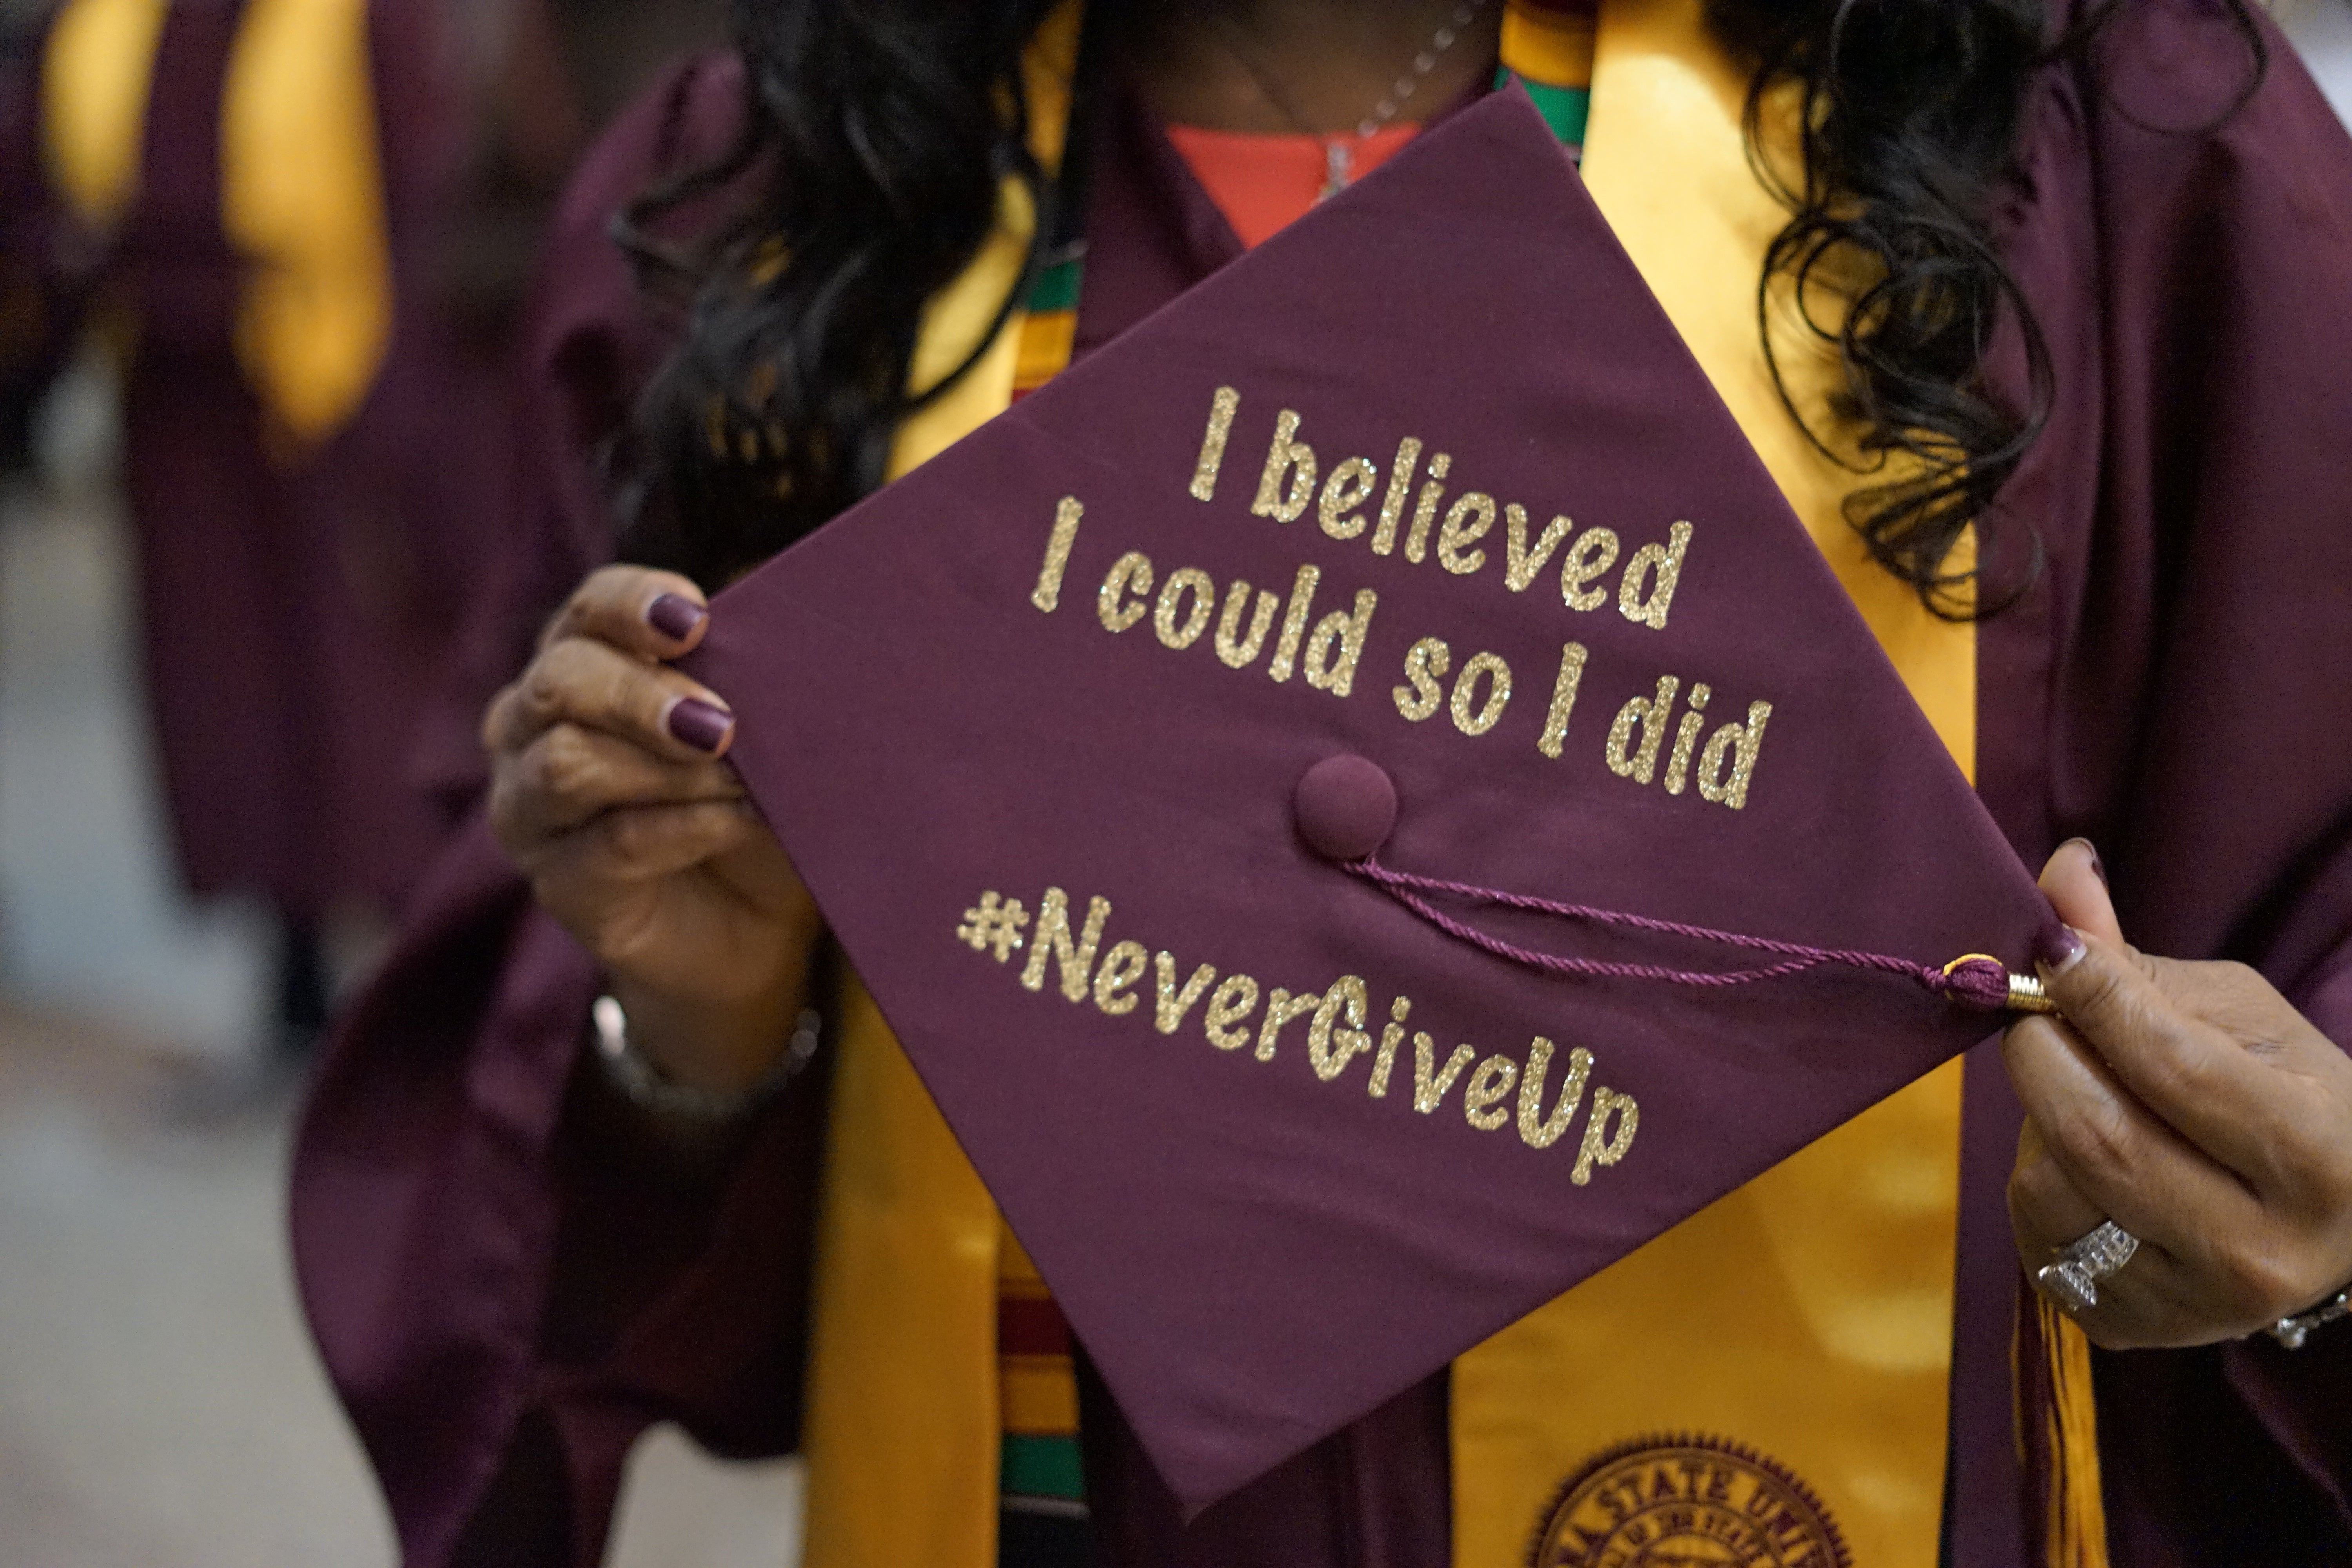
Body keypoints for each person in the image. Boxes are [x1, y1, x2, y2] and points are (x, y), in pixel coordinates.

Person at [290, 0, 2352, 1564]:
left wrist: (2293, 1212)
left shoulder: (2064, 119)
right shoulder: (801, 194)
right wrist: (695, 1025)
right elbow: (583, 1207)